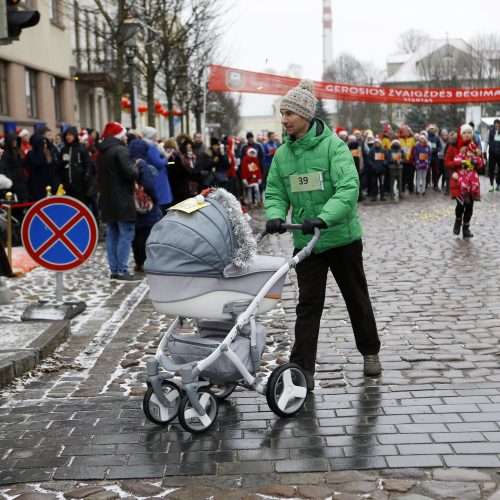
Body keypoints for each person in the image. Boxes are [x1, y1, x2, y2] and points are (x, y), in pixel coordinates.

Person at [264, 79, 381, 390]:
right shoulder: (282, 155)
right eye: (282, 113)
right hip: (307, 245)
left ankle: (370, 352)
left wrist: (324, 218)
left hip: (341, 239)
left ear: (305, 115)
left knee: (356, 298)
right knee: (308, 305)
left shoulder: (334, 147)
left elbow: (348, 188)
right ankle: (303, 369)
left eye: (289, 113)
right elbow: (275, 190)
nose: (284, 119)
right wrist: (275, 215)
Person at [96, 122, 141, 282]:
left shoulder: (101, 152)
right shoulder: (121, 150)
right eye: (123, 134)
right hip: (122, 199)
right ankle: (122, 271)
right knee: (126, 234)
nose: (126, 137)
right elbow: (129, 173)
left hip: (108, 200)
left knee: (112, 235)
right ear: (118, 136)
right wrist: (137, 168)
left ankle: (114, 270)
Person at [128, 138, 161, 273]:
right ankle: (143, 262)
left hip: (132, 204)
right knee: (145, 234)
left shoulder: (127, 162)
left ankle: (137, 262)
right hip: (144, 204)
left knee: (135, 236)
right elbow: (148, 184)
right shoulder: (142, 164)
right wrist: (154, 198)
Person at [448, 124, 483, 238]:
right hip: (458, 180)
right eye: (464, 133)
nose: (467, 135)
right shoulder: (453, 146)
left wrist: (477, 162)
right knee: (461, 204)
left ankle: (466, 228)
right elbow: (446, 162)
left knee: (469, 205)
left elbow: (481, 163)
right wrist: (459, 163)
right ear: (460, 134)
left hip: (471, 181)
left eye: (469, 132)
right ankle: (458, 221)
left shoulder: (475, 146)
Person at [141, 126, 174, 214]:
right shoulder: (151, 147)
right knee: (161, 205)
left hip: (157, 175)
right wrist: (167, 156)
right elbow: (159, 163)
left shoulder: (149, 146)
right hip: (158, 176)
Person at [58, 126, 94, 204]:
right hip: (67, 185)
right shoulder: (63, 150)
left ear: (74, 135)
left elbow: (88, 164)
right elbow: (60, 166)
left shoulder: (81, 149)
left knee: (81, 204)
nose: (68, 137)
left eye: (70, 135)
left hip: (80, 185)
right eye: (67, 135)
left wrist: (86, 177)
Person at [426, 124, 442, 191]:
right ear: (428, 130)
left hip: (435, 157)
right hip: (427, 157)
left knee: (435, 172)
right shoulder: (426, 138)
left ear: (435, 130)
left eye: (433, 129)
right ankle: (426, 184)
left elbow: (440, 147)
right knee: (427, 171)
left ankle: (435, 185)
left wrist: (435, 150)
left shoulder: (437, 138)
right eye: (430, 129)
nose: (432, 130)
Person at [487, 119, 500, 192]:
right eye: (495, 124)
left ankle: (498, 183)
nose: (497, 125)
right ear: (494, 124)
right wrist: (484, 151)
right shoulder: (490, 131)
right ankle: (491, 185)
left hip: (499, 154)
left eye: (498, 124)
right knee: (491, 169)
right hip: (492, 153)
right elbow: (487, 141)